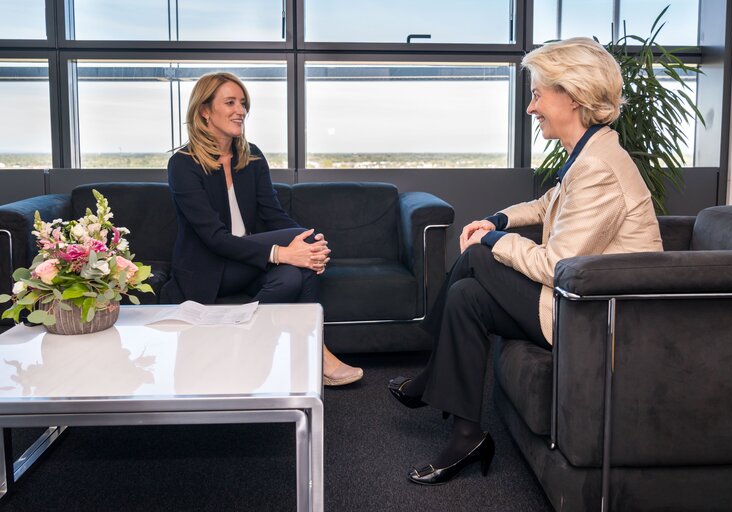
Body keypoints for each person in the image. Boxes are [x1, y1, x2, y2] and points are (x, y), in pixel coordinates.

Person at [388, 37, 663, 485]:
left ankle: (429, 374)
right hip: (580, 302)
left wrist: (492, 238)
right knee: (467, 295)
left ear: (572, 96)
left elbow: (559, 264)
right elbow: (547, 203)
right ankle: (467, 435)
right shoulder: (591, 153)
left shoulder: (599, 166)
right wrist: (498, 218)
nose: (531, 108)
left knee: (477, 256)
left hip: (599, 319)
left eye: (537, 94)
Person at [164, 71, 363, 387]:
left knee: (291, 276)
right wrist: (282, 251)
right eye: (230, 102)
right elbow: (214, 239)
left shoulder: (251, 157)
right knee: (296, 253)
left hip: (247, 263)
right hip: (209, 269)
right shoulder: (183, 164)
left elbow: (274, 216)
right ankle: (317, 354)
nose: (240, 110)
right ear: (204, 110)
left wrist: (311, 246)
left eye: (242, 103)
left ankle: (263, 351)